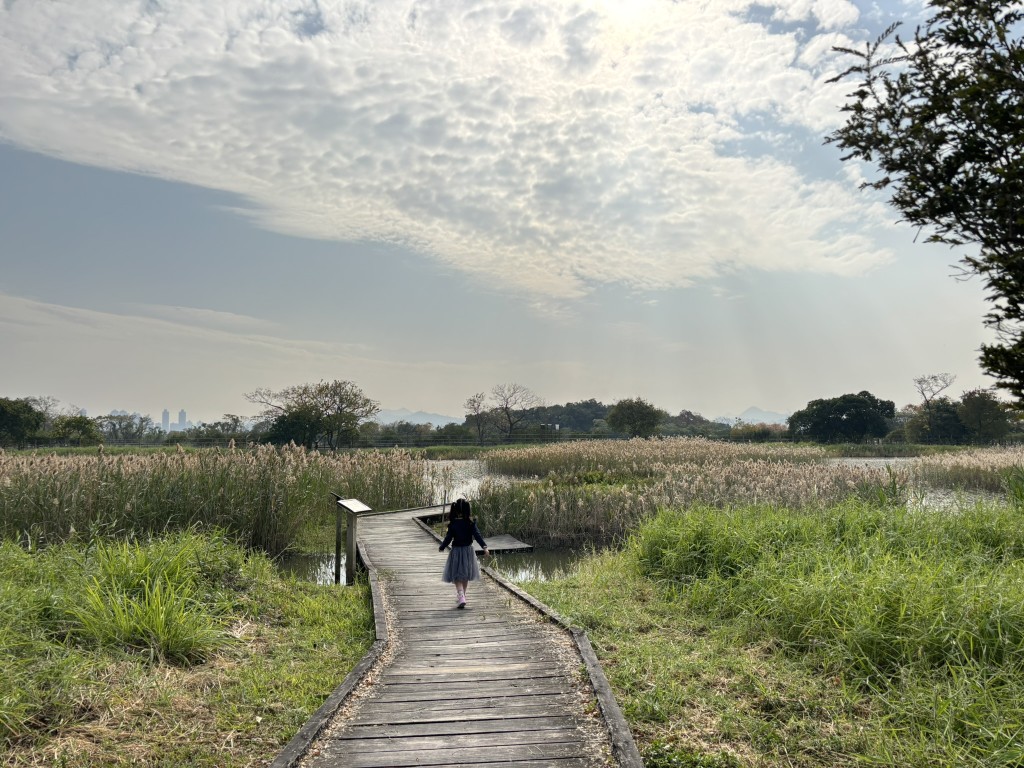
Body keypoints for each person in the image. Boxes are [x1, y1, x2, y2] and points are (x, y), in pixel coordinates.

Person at [438, 497, 488, 608]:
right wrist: (484, 547)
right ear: (467, 510)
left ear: (455, 510)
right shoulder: (470, 523)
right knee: (465, 576)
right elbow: (477, 536)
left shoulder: (453, 524)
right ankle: (463, 596)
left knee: (457, 576)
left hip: (456, 552)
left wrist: (442, 547)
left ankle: (461, 596)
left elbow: (448, 538)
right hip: (468, 551)